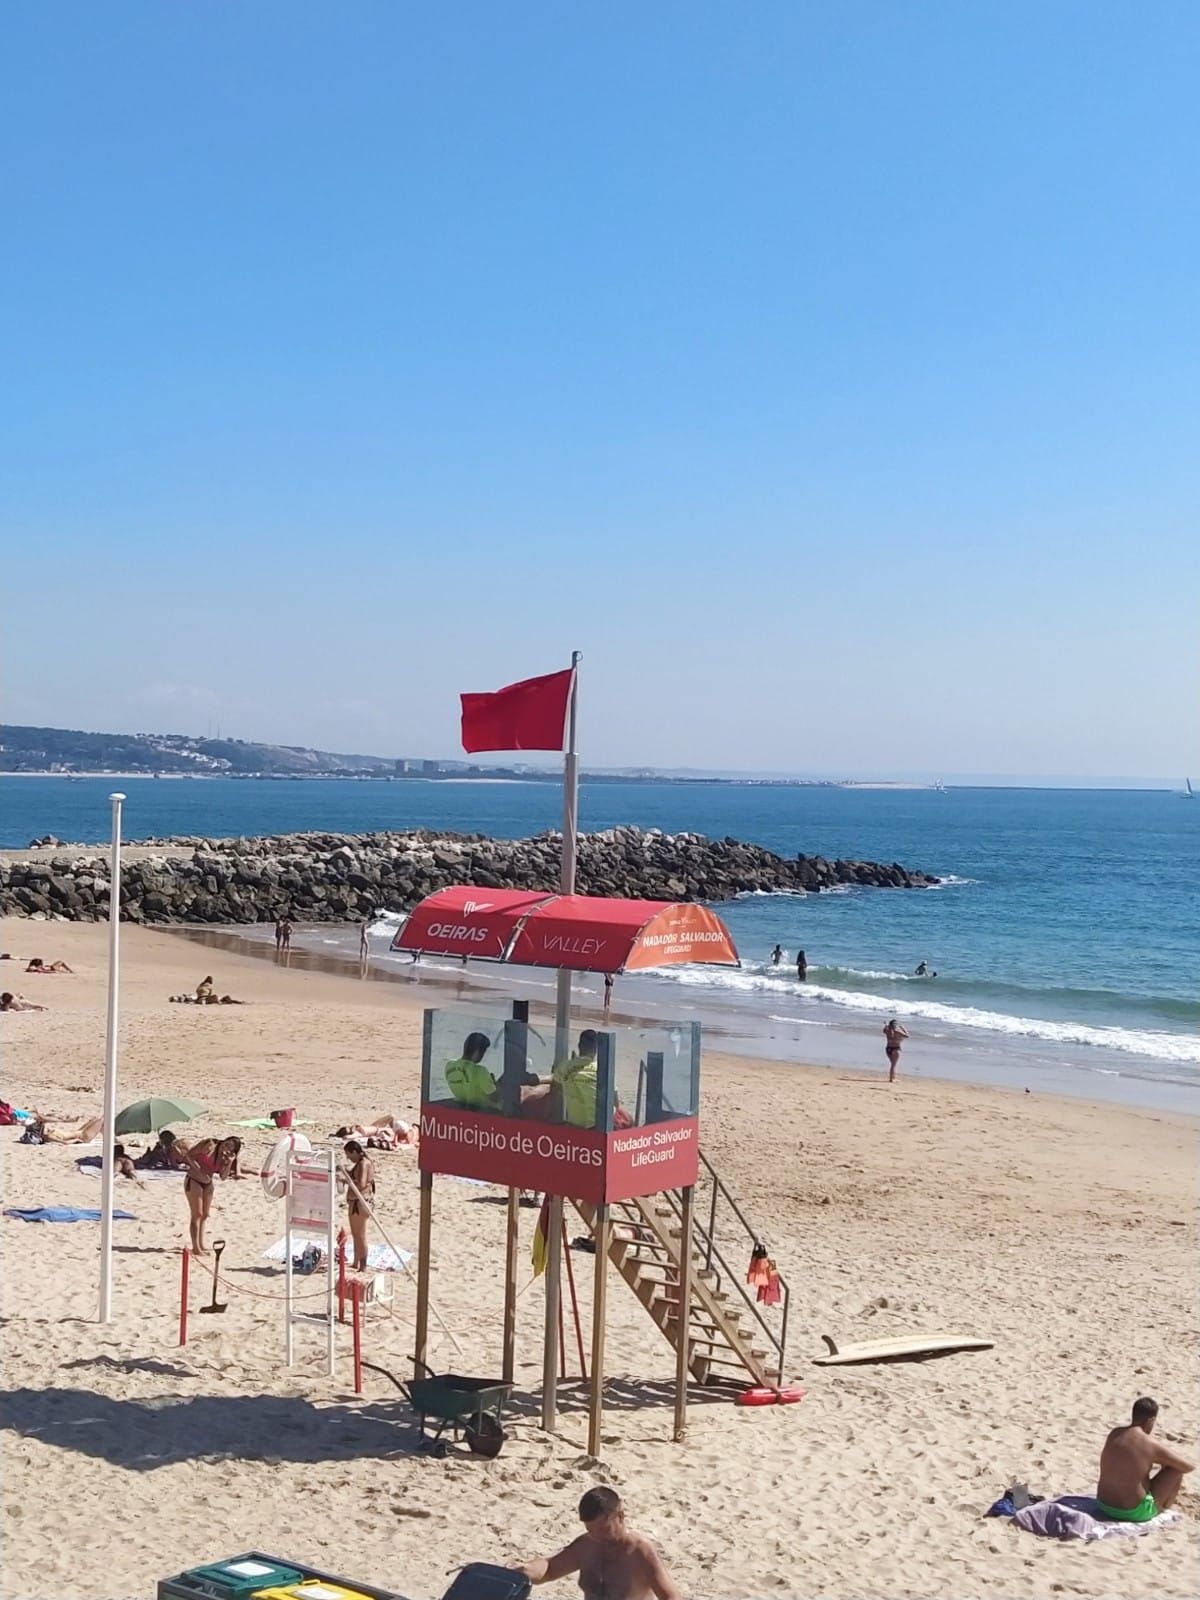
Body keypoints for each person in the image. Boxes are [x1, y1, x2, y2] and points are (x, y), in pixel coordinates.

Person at [514, 1487, 679, 1600]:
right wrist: (525, 1570)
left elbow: (671, 1596)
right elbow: (549, 1569)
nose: (598, 1536)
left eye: (604, 1529)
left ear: (620, 1516)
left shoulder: (640, 1552)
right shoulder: (587, 1545)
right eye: (590, 1529)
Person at [1097, 1397, 1194, 1521]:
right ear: (1151, 1420)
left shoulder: (1115, 1433)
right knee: (1176, 1469)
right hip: (1132, 1512)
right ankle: (1164, 1507)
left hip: (1103, 1505)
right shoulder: (1148, 1443)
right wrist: (1165, 1462)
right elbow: (1188, 1467)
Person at [180, 1138, 222, 1254]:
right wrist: (196, 1167)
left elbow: (223, 1176)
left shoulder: (221, 1155)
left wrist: (229, 1162)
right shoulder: (207, 1144)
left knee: (204, 1214)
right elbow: (188, 1155)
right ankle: (196, 1247)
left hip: (208, 1183)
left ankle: (201, 1244)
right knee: (197, 1214)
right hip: (194, 1180)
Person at [554, 1029, 600, 1129]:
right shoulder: (603, 1070)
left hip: (574, 1126)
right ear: (596, 1049)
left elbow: (555, 1092)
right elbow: (615, 1103)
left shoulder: (564, 1067)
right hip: (598, 1128)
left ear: (579, 1046)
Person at [343, 1139, 377, 1271]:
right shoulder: (362, 1162)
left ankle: (363, 1265)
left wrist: (347, 1180)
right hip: (357, 1203)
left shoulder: (363, 1164)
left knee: (361, 1235)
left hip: (360, 1203)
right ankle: (356, 1261)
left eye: (349, 1155)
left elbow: (361, 1184)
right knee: (356, 1234)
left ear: (355, 1152)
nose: (348, 1158)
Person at [444, 1031, 500, 1111]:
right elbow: (495, 1098)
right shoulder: (480, 1071)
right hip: (479, 1112)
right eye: (484, 1052)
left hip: (461, 1108)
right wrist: (494, 1084)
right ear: (477, 1052)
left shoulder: (449, 1066)